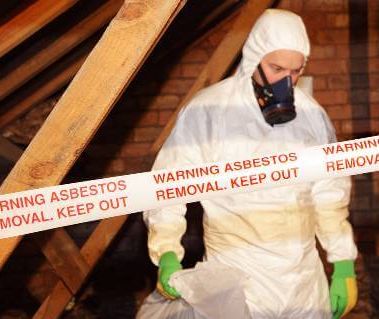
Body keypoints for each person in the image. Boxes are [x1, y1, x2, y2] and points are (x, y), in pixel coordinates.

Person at [143, 9, 358, 319]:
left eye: (295, 71)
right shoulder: (210, 111)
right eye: (276, 68)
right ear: (254, 58)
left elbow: (330, 193)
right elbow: (167, 185)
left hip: (301, 278)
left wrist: (342, 263)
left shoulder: (311, 115)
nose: (286, 81)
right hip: (234, 278)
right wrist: (167, 252)